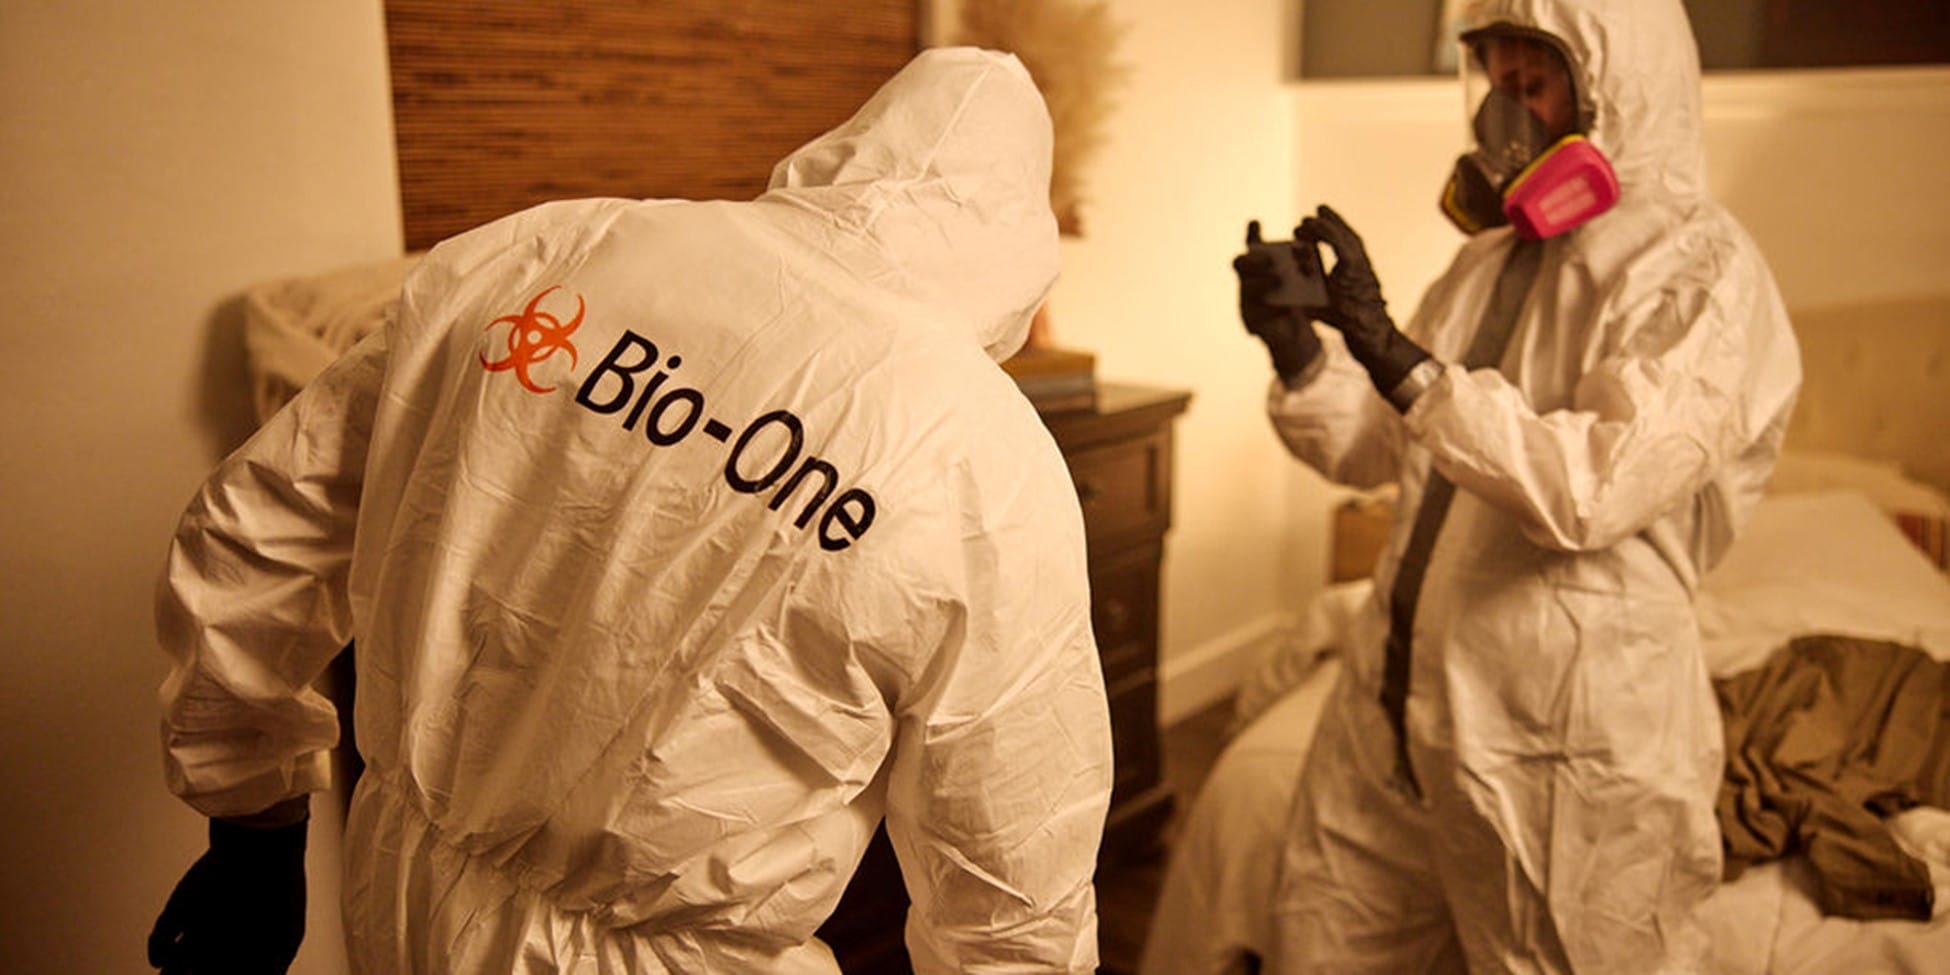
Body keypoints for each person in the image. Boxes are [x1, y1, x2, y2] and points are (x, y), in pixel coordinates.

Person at [147, 46, 1113, 975]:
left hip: (399, 902)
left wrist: (252, 828)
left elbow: (255, 532)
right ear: (1014, 253)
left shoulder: (545, 251)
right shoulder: (985, 460)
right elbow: (1014, 878)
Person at [1232, 1, 1800, 972]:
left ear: (1616, 90)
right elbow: (1382, 448)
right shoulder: (1483, 262)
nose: (1501, 113)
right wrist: (1303, 355)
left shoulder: (1700, 268)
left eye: (1531, 85)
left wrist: (1400, 360)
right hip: (1392, 704)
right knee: (1322, 943)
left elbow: (1597, 486)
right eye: (1493, 83)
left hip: (1563, 740)